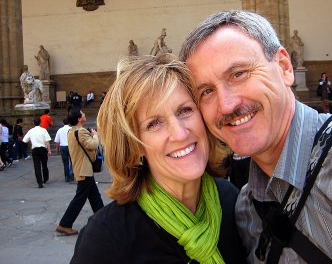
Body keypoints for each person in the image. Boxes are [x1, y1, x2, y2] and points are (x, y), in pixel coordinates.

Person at [180, 10, 332, 262]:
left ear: (284, 67)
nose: (226, 105)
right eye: (206, 91)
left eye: (238, 74)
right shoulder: (245, 209)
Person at [70, 54, 245, 263]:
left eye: (185, 110)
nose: (179, 134)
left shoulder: (231, 201)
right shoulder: (106, 239)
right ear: (135, 146)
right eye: (154, 123)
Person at [56, 108, 104, 236]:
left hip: (82, 169)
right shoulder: (80, 131)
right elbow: (93, 145)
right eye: (82, 114)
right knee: (80, 198)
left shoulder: (71, 131)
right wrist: (95, 135)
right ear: (79, 119)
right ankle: (65, 224)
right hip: (84, 170)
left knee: (95, 197)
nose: (84, 114)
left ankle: (104, 221)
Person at [22, 118, 51, 188]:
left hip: (35, 150)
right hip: (43, 149)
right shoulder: (43, 130)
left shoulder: (30, 131)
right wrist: (49, 150)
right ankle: (45, 178)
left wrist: (32, 141)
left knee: (37, 167)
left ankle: (40, 183)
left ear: (33, 123)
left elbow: (24, 140)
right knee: (44, 165)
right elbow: (47, 141)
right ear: (40, 123)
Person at [54, 118, 73, 182]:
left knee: (65, 162)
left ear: (63, 123)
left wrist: (57, 149)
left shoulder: (60, 130)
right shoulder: (71, 129)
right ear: (69, 123)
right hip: (71, 146)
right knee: (72, 161)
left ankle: (67, 176)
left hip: (63, 147)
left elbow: (57, 141)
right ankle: (71, 172)